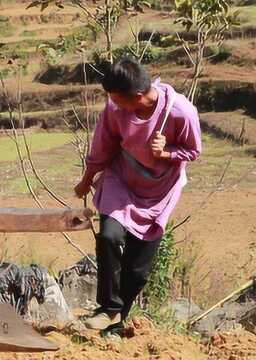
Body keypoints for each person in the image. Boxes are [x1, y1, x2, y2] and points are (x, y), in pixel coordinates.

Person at [74, 58, 202, 331]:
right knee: (109, 236)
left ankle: (118, 322)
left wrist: (166, 153)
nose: (114, 105)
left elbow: (193, 151)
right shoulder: (115, 109)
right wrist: (86, 180)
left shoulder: (181, 112)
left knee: (138, 268)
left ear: (138, 96)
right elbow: (102, 147)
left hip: (160, 190)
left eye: (119, 100)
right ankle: (108, 308)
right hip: (122, 179)